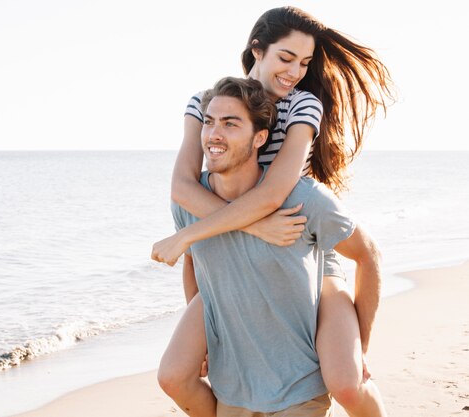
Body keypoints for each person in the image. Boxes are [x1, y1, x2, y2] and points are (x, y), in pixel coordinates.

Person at [153, 6, 394, 417]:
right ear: (257, 51)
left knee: (347, 384)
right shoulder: (209, 102)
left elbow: (273, 193)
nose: (296, 71)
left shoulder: (303, 105)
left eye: (304, 62)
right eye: (286, 58)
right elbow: (182, 186)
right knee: (174, 374)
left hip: (303, 248)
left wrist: (358, 348)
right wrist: (256, 229)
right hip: (252, 241)